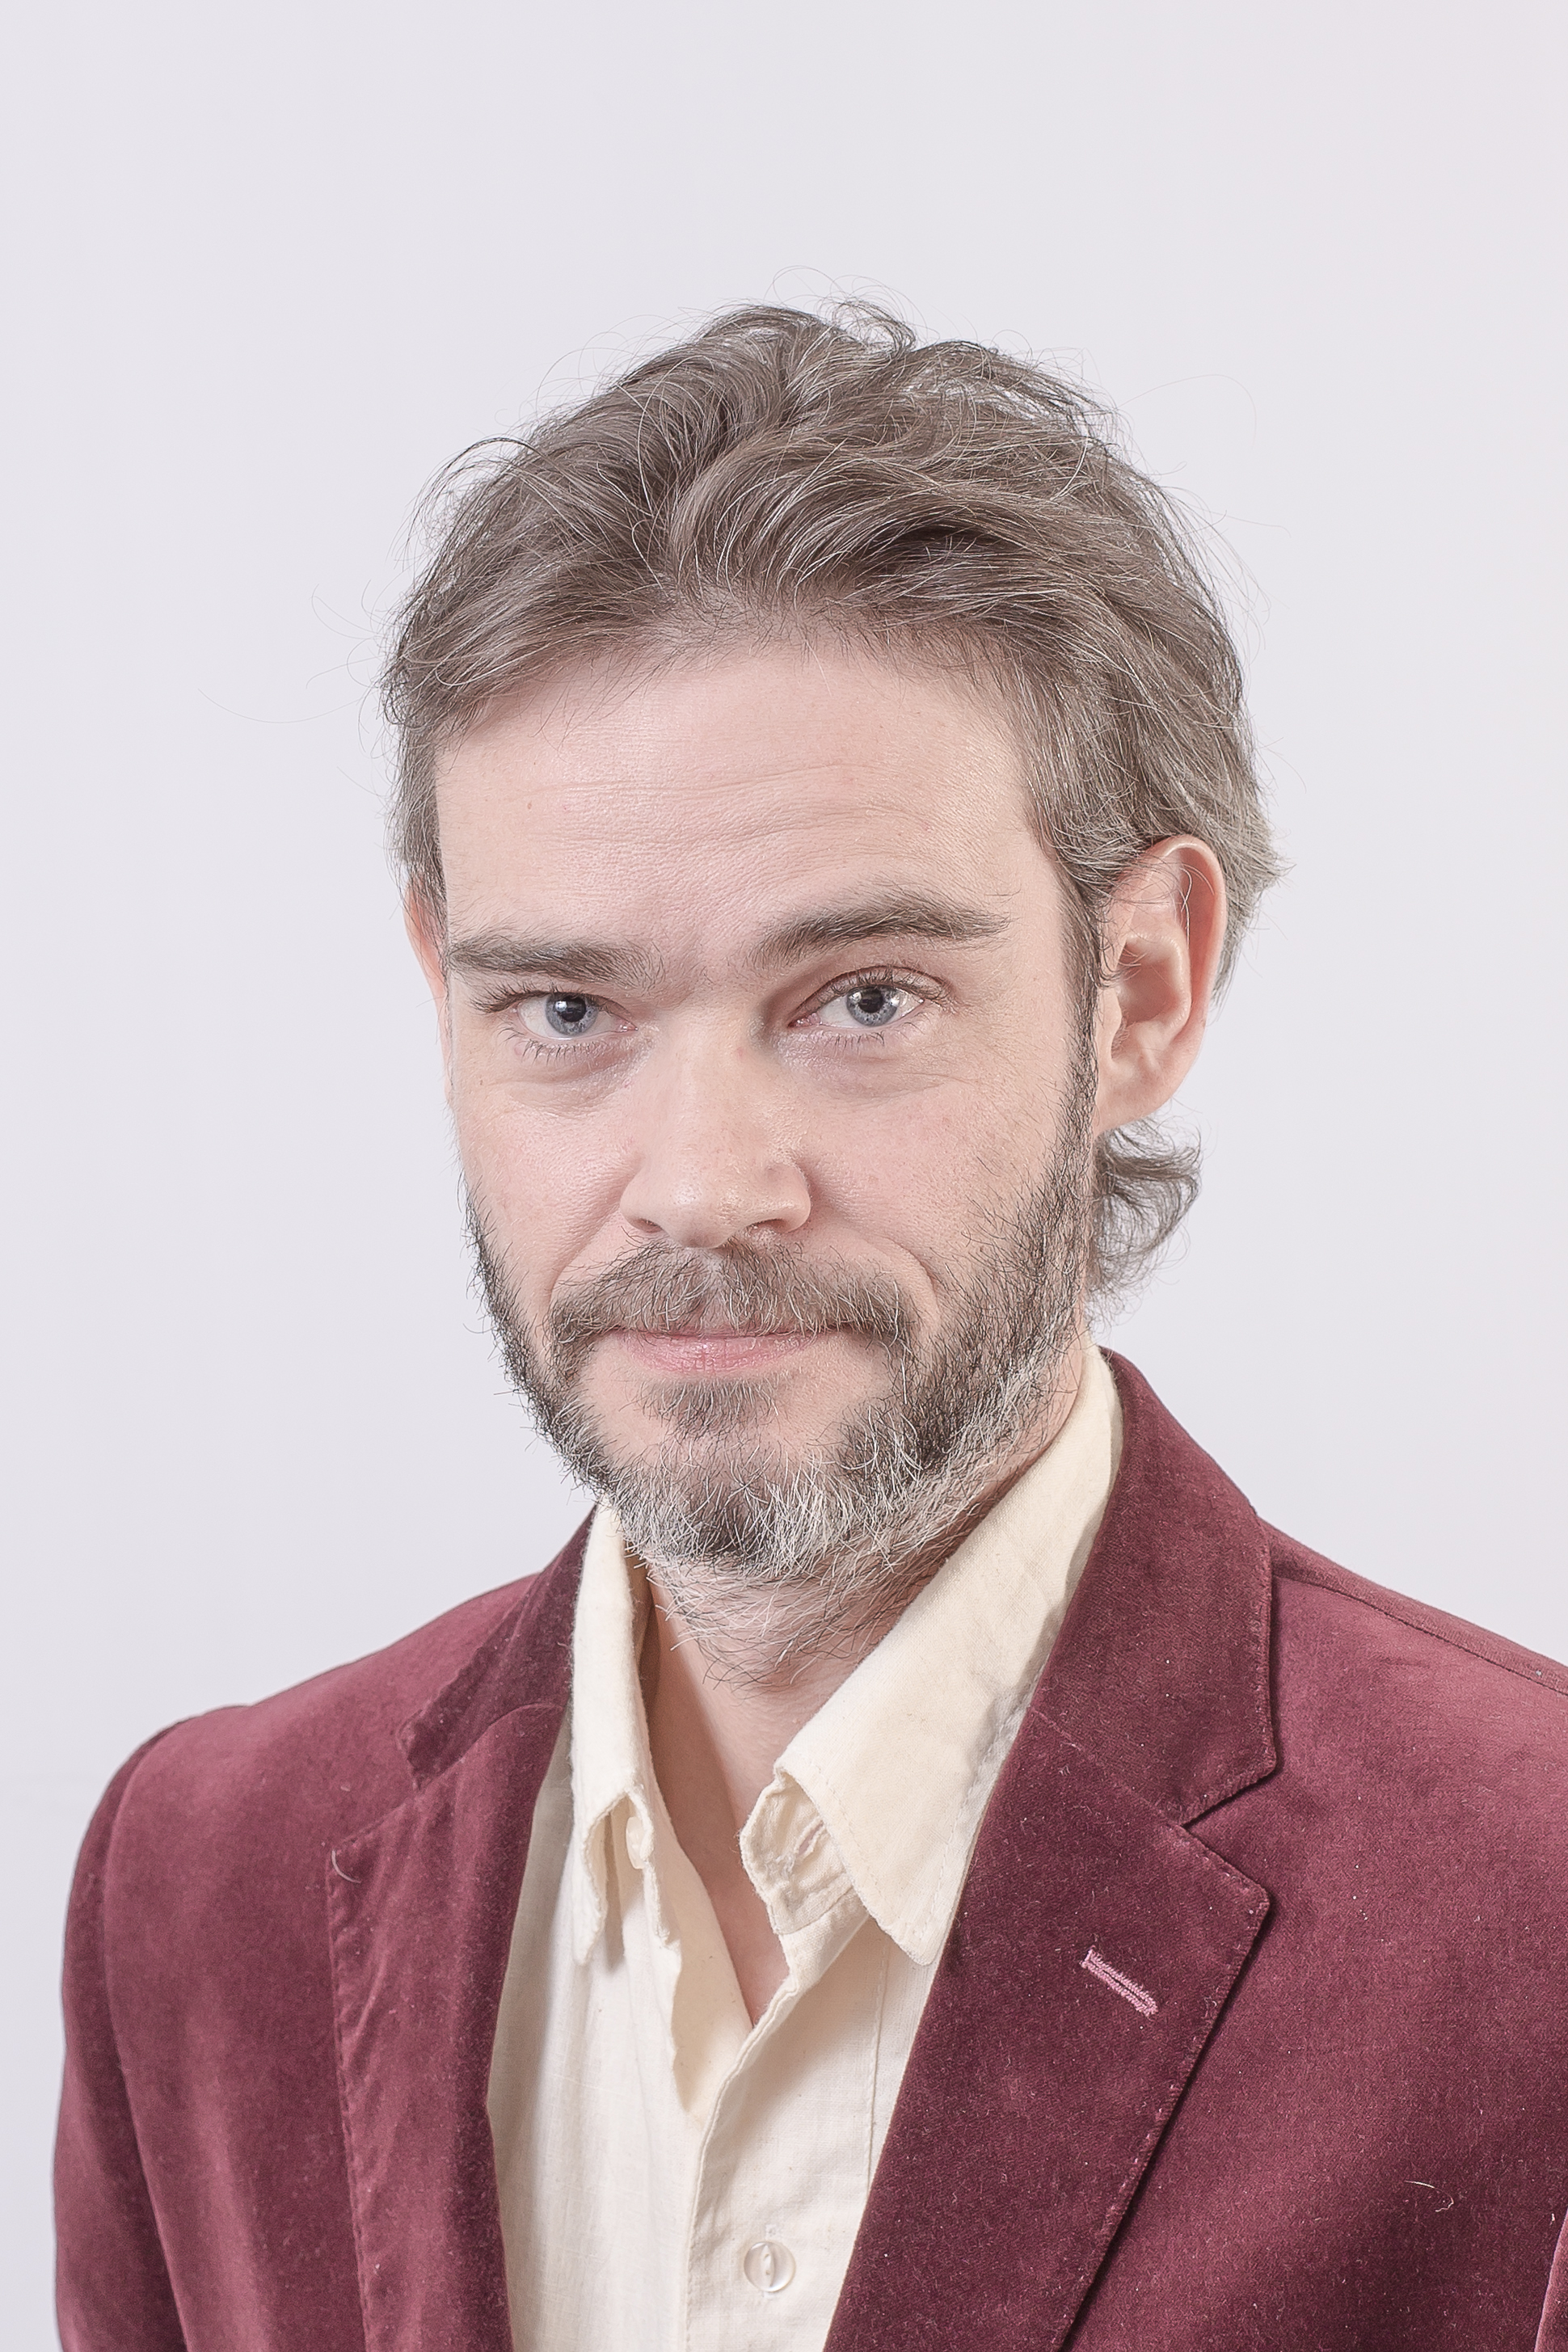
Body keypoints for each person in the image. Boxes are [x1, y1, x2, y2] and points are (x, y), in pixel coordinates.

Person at [54, 304, 1568, 2352]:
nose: (700, 1184)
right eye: (566, 1010)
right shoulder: (199, 1883)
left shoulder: (1528, 1911)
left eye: (859, 998)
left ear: (1141, 987)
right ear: (442, 991)